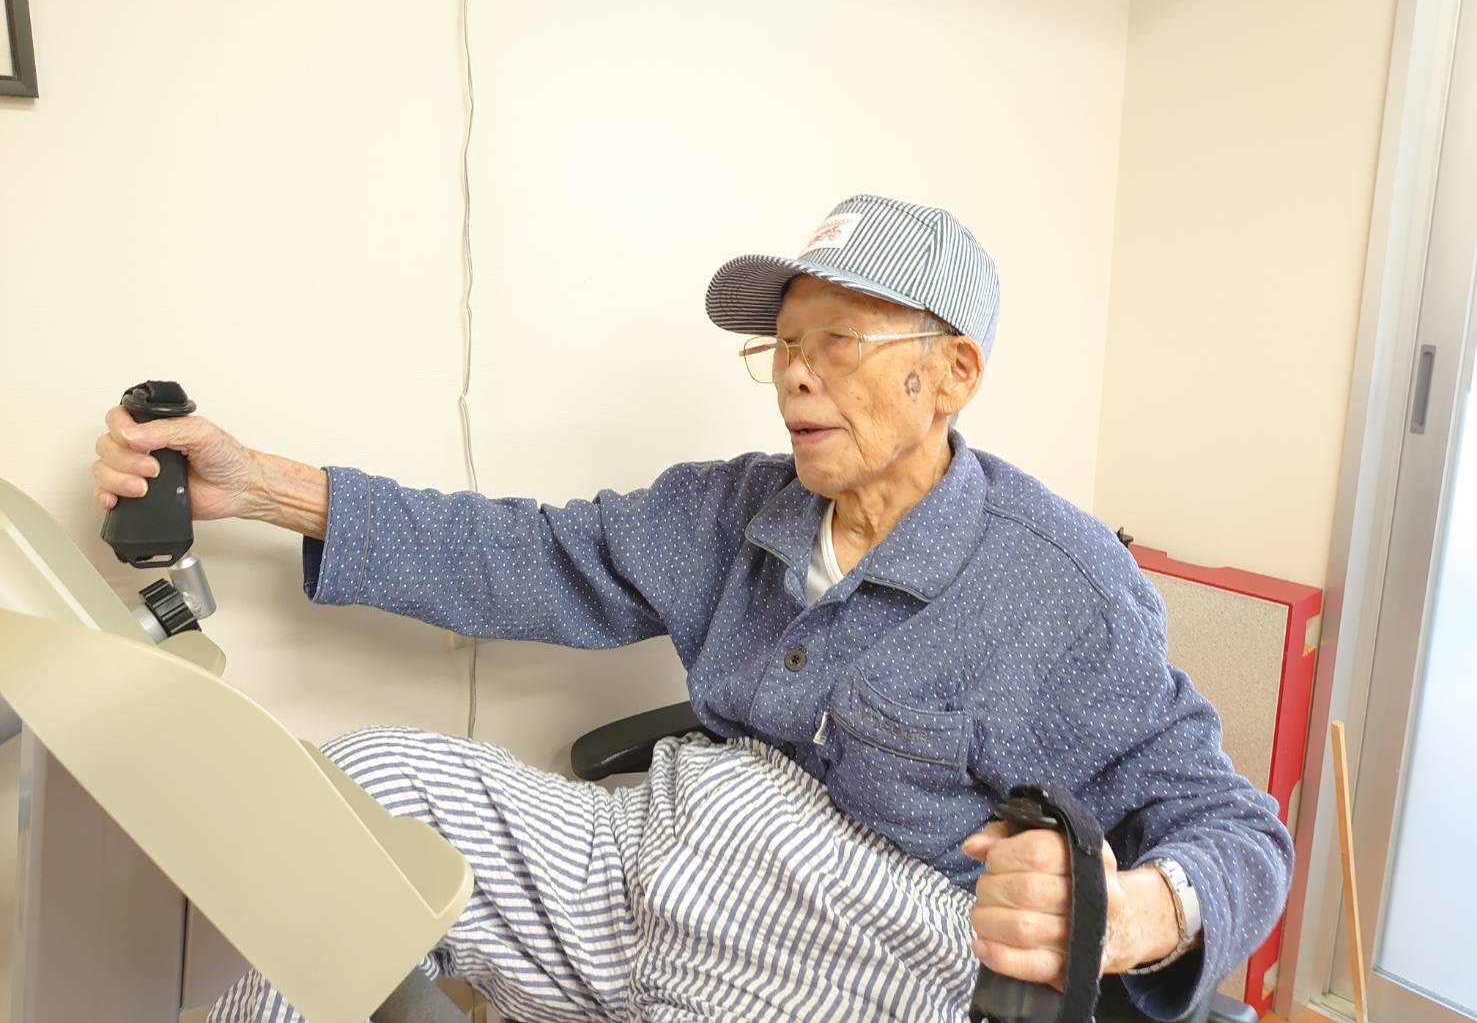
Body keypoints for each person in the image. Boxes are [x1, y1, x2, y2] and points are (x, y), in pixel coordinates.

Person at [90, 194, 1292, 1022]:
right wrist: (260, 486)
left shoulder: (1064, 587)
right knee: (369, 793)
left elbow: (1232, 826)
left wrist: (1138, 911)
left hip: (845, 959)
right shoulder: (736, 506)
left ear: (952, 374)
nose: (794, 374)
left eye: (837, 343)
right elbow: (523, 552)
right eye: (782, 345)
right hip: (642, 861)